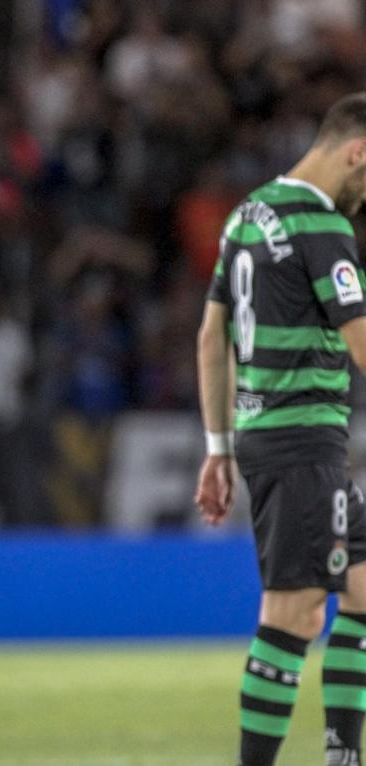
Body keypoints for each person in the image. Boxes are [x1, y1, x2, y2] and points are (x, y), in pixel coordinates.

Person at [196, 92, 366, 766]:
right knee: (294, 614)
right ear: (358, 151)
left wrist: (218, 446)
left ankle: (343, 758)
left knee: (361, 590)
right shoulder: (321, 226)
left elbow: (212, 337)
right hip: (303, 440)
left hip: (271, 433)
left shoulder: (248, 214)